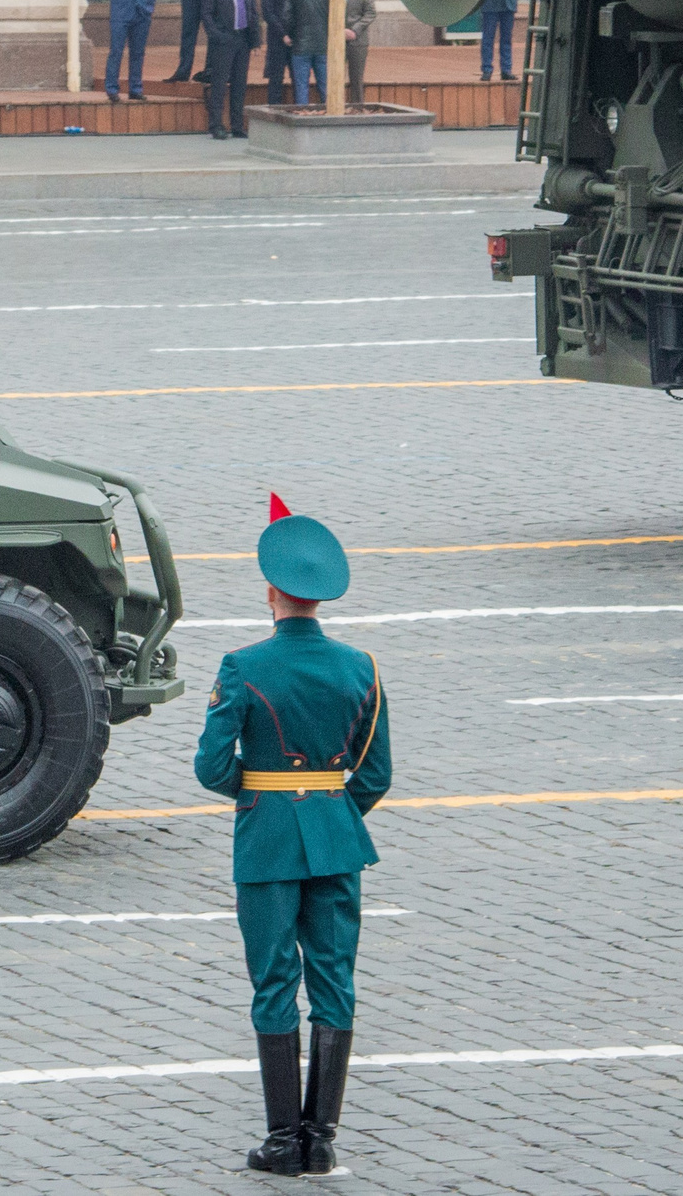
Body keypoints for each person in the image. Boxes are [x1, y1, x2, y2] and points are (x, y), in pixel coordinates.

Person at [195, 496, 390, 1178]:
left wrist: (265, 794)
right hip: (337, 839)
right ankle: (322, 1137)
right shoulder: (361, 666)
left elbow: (211, 767)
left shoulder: (241, 666)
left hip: (268, 841)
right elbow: (376, 772)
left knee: (274, 980)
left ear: (271, 590)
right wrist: (330, 810)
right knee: (333, 979)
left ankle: (282, 1139)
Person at [197, 0, 256, 140]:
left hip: (243, 39)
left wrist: (255, 40)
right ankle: (216, 125)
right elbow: (206, 13)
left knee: (239, 85)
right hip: (223, 40)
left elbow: (252, 12)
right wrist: (217, 36)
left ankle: (237, 125)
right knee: (220, 84)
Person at [285, 0, 331, 106]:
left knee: (301, 87)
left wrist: (292, 34)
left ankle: (302, 120)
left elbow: (287, 17)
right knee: (325, 86)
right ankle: (330, 120)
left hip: (300, 45)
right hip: (323, 44)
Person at [261, 0, 299, 106]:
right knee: (276, 79)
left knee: (298, 79)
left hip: (298, 40)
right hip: (277, 39)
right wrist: (283, 34)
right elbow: (268, 11)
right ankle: (273, 113)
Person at [341, 0, 376, 108]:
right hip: (337, 39)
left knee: (356, 79)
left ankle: (357, 110)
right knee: (334, 78)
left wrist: (354, 30)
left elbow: (370, 12)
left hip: (358, 40)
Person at [478, 0, 518, 82]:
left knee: (506, 38)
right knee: (488, 38)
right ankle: (487, 69)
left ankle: (506, 70)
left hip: (508, 2)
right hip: (490, 2)